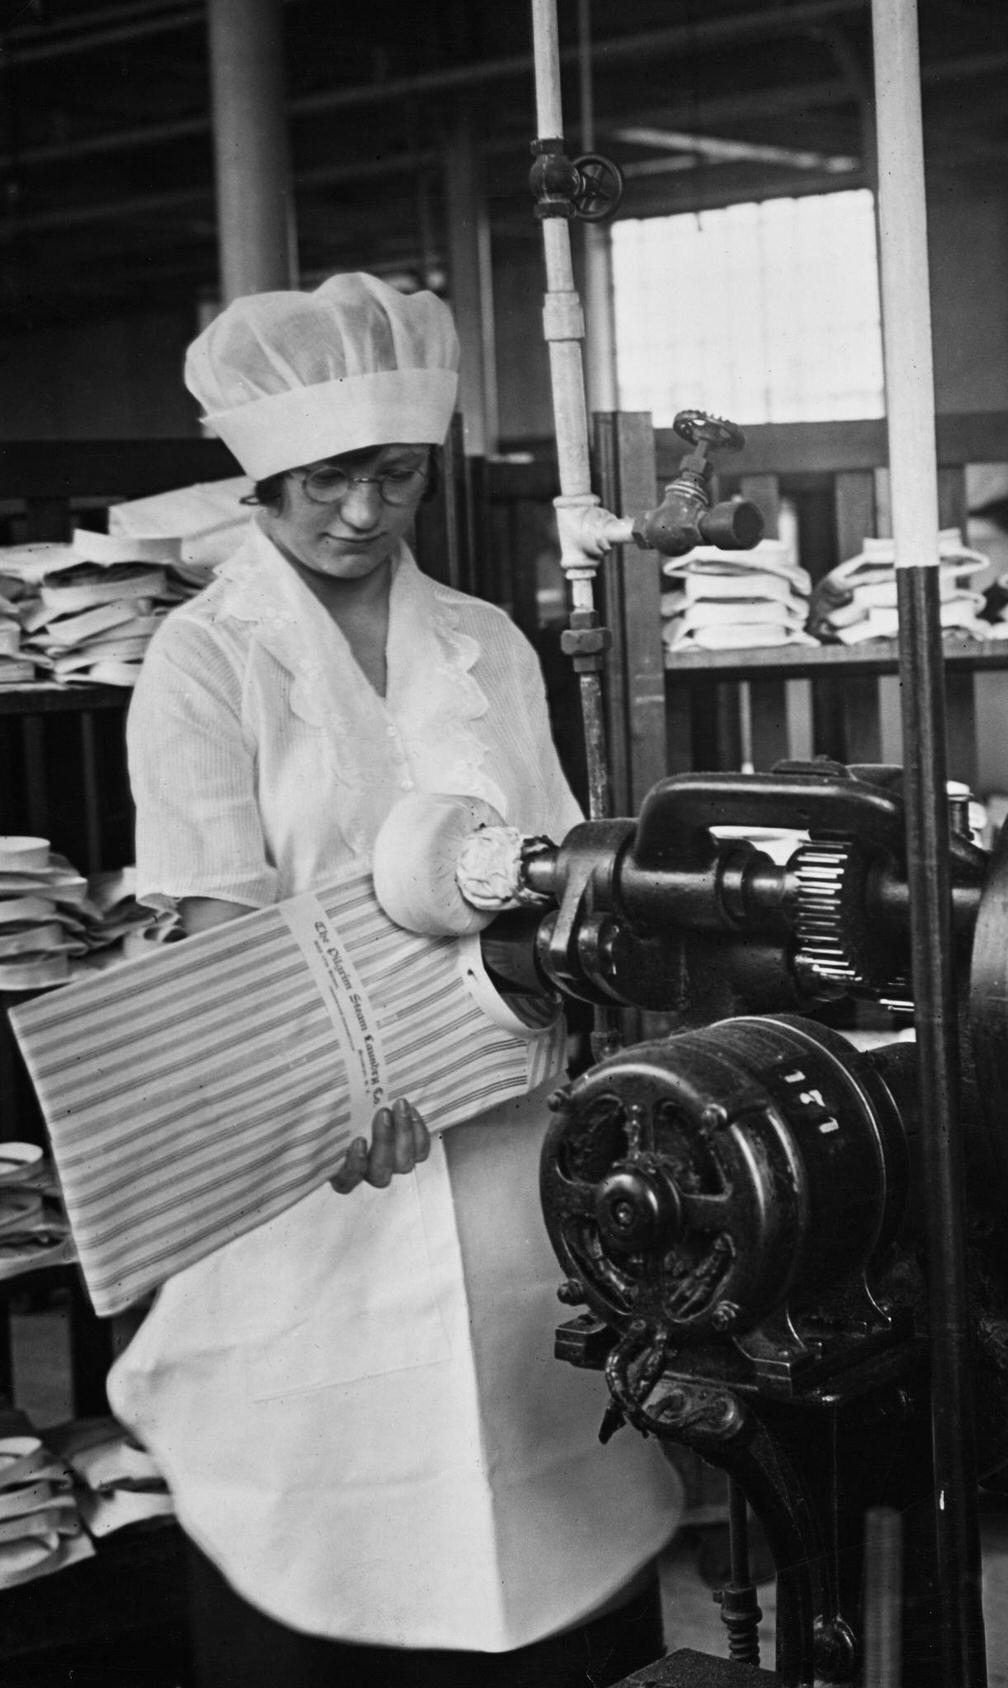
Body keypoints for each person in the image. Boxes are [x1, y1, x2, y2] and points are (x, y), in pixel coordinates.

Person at [112, 272, 683, 1687]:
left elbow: (549, 872)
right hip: (322, 1165)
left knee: (533, 1481)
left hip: (498, 1146)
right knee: (331, 1520)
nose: (361, 514)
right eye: (323, 482)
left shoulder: (485, 643)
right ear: (259, 476)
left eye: (394, 476)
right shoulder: (205, 662)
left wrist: (558, 1009)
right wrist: (336, 1097)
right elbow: (212, 932)